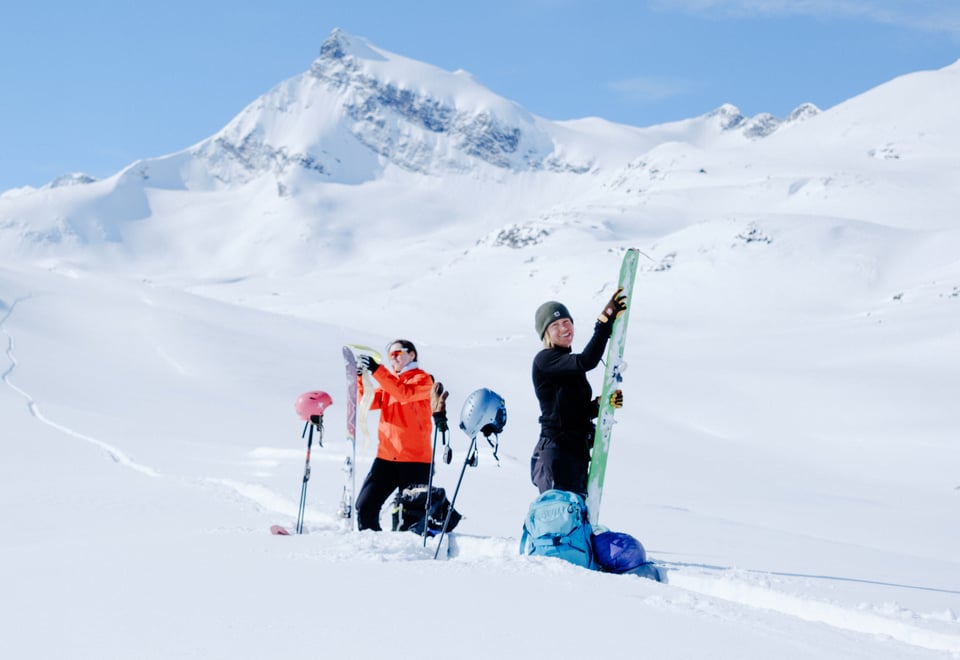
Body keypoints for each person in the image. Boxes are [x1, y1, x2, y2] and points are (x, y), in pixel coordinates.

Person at [530, 289, 627, 497]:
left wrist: (602, 404)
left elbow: (576, 412)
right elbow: (587, 361)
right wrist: (603, 324)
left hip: (576, 454)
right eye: (555, 325)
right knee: (559, 521)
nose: (564, 328)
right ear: (545, 333)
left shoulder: (567, 364)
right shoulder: (545, 360)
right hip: (556, 454)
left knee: (577, 520)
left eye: (566, 322)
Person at [354, 339, 439, 531]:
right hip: (386, 457)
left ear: (412, 355)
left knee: (409, 517)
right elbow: (366, 402)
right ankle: (374, 549)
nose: (393, 359)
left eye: (397, 354)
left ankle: (407, 557)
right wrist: (360, 378)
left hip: (415, 460)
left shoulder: (424, 380)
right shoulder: (389, 383)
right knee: (365, 506)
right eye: (390, 356)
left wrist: (377, 370)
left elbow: (404, 394)